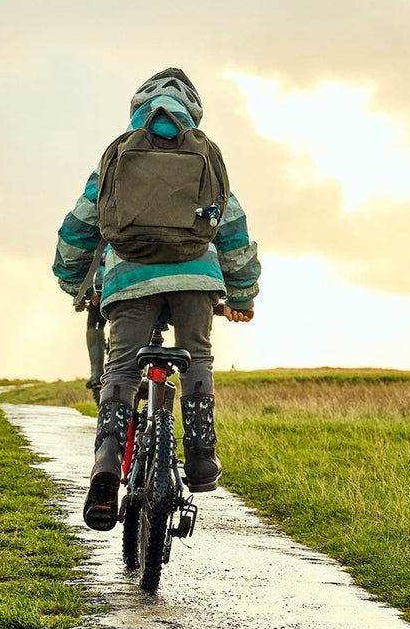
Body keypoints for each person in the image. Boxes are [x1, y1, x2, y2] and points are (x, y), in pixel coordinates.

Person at [52, 68, 261, 531]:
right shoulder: (205, 156)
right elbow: (233, 229)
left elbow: (81, 222)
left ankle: (107, 461)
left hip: (129, 279)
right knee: (198, 357)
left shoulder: (117, 156)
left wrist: (71, 278)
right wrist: (242, 293)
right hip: (197, 280)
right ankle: (202, 456)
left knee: (122, 368)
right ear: (194, 111)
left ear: (135, 109)